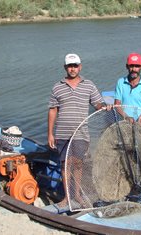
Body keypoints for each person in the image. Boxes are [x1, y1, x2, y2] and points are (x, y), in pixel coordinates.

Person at [47, 53, 106, 212]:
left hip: (81, 134)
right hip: (62, 134)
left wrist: (103, 106)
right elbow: (53, 110)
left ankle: (78, 195)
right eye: (69, 66)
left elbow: (97, 103)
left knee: (78, 164)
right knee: (65, 165)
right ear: (65, 68)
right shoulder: (57, 86)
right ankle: (67, 197)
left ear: (80, 66)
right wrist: (50, 134)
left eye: (75, 65)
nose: (72, 69)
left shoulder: (89, 85)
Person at [114, 53, 141, 129]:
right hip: (124, 126)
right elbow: (117, 104)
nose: (134, 69)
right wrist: (126, 117)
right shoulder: (120, 82)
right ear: (127, 66)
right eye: (131, 66)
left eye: (137, 66)